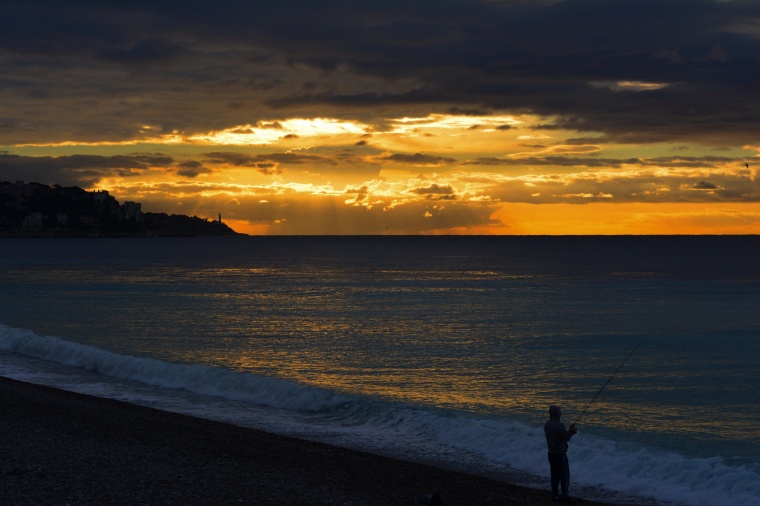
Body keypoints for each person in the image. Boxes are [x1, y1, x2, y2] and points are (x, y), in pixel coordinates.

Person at [544, 405, 578, 503]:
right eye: (559, 412)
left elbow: (559, 436)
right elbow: (566, 437)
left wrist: (569, 432)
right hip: (560, 454)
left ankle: (555, 495)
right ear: (557, 413)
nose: (560, 414)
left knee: (554, 476)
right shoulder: (559, 425)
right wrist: (571, 430)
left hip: (551, 453)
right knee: (564, 476)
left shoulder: (547, 424)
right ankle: (565, 496)